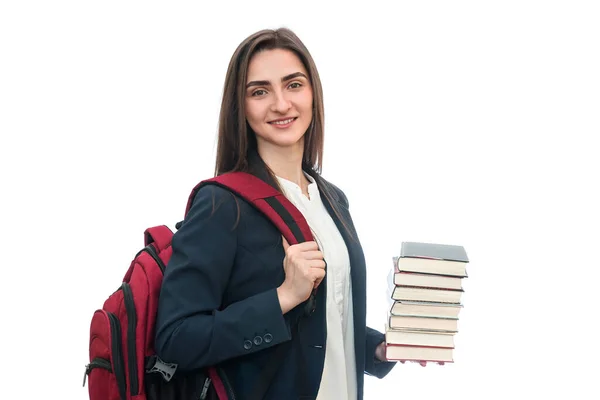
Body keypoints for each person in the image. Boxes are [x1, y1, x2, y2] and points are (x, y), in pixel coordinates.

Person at [154, 27, 397, 400]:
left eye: (294, 85)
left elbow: (324, 318)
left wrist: (381, 350)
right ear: (241, 106)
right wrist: (283, 297)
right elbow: (176, 339)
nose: (281, 104)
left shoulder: (332, 200)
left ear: (313, 93)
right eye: (260, 91)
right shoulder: (222, 204)